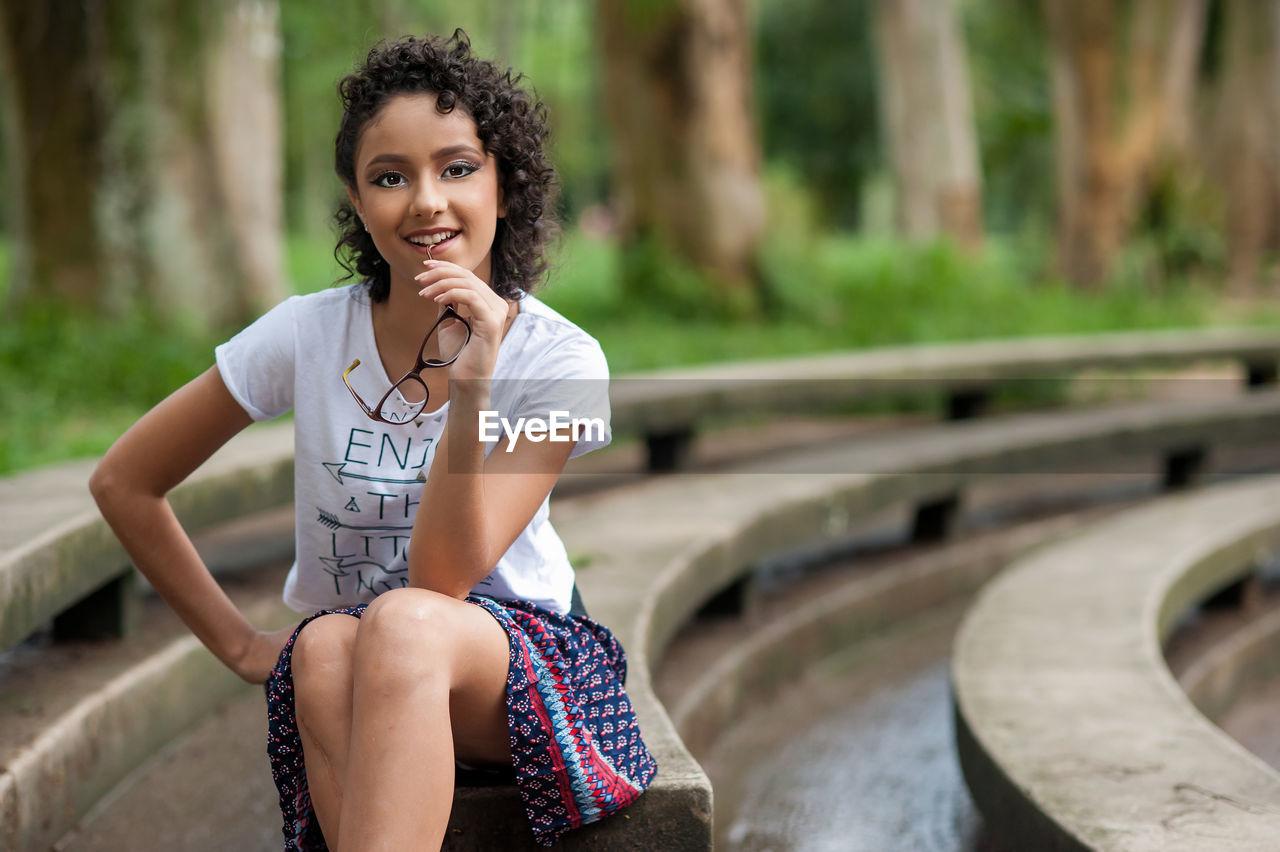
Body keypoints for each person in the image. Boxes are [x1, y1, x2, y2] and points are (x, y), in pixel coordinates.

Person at [89, 30, 656, 851]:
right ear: (359, 202)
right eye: (391, 177)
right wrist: (244, 645)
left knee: (400, 623)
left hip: (530, 676)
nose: (426, 200)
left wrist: (473, 386)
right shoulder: (309, 335)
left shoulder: (560, 361)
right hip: (361, 663)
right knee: (321, 647)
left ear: (505, 186)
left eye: (458, 168)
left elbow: (440, 581)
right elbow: (125, 482)